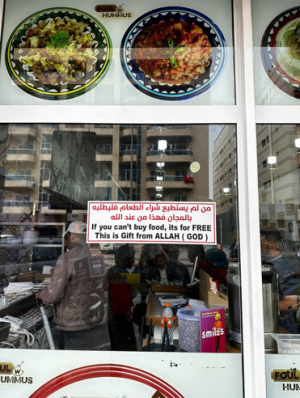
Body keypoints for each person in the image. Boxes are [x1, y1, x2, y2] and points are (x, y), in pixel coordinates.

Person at [36, 221, 108, 350]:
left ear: (69, 236)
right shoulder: (95, 258)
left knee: (70, 364)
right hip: (92, 319)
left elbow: (53, 295)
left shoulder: (66, 258)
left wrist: (41, 294)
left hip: (73, 322)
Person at [260, 227, 300, 333]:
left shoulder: (283, 268)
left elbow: (292, 302)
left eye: (261, 241)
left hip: (284, 328)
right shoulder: (267, 263)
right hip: (271, 324)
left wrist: (263, 305)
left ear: (272, 244)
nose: (258, 245)